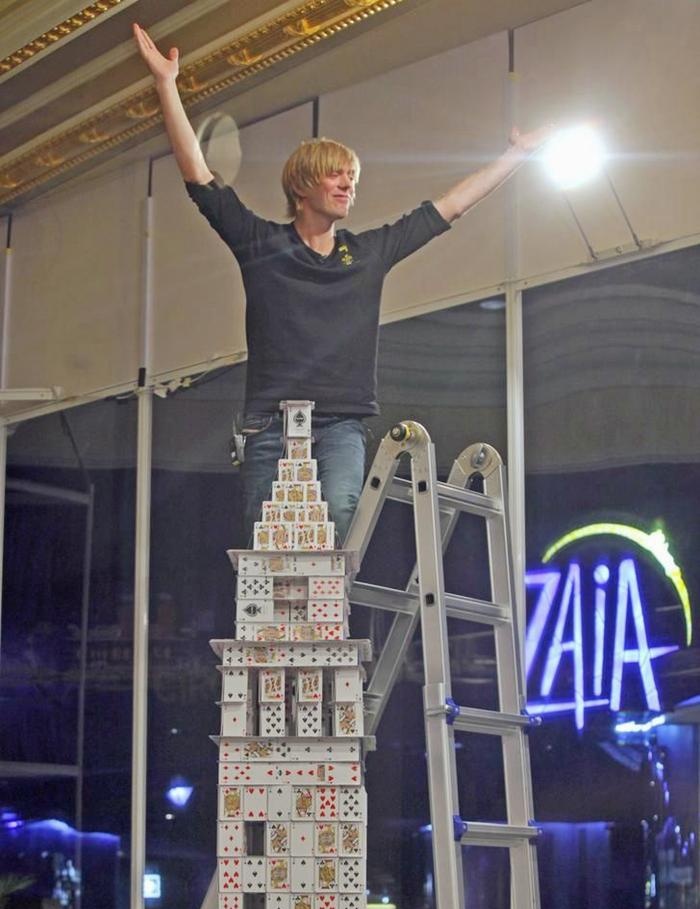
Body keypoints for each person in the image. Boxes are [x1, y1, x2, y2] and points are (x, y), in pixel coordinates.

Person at [133, 22, 552, 544]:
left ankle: (333, 600)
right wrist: (166, 85)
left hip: (341, 424)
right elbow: (199, 177)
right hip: (269, 423)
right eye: (336, 175)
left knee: (339, 516)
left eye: (352, 177)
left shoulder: (367, 254)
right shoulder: (263, 245)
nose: (348, 184)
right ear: (302, 186)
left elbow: (449, 208)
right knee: (264, 543)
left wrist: (516, 156)